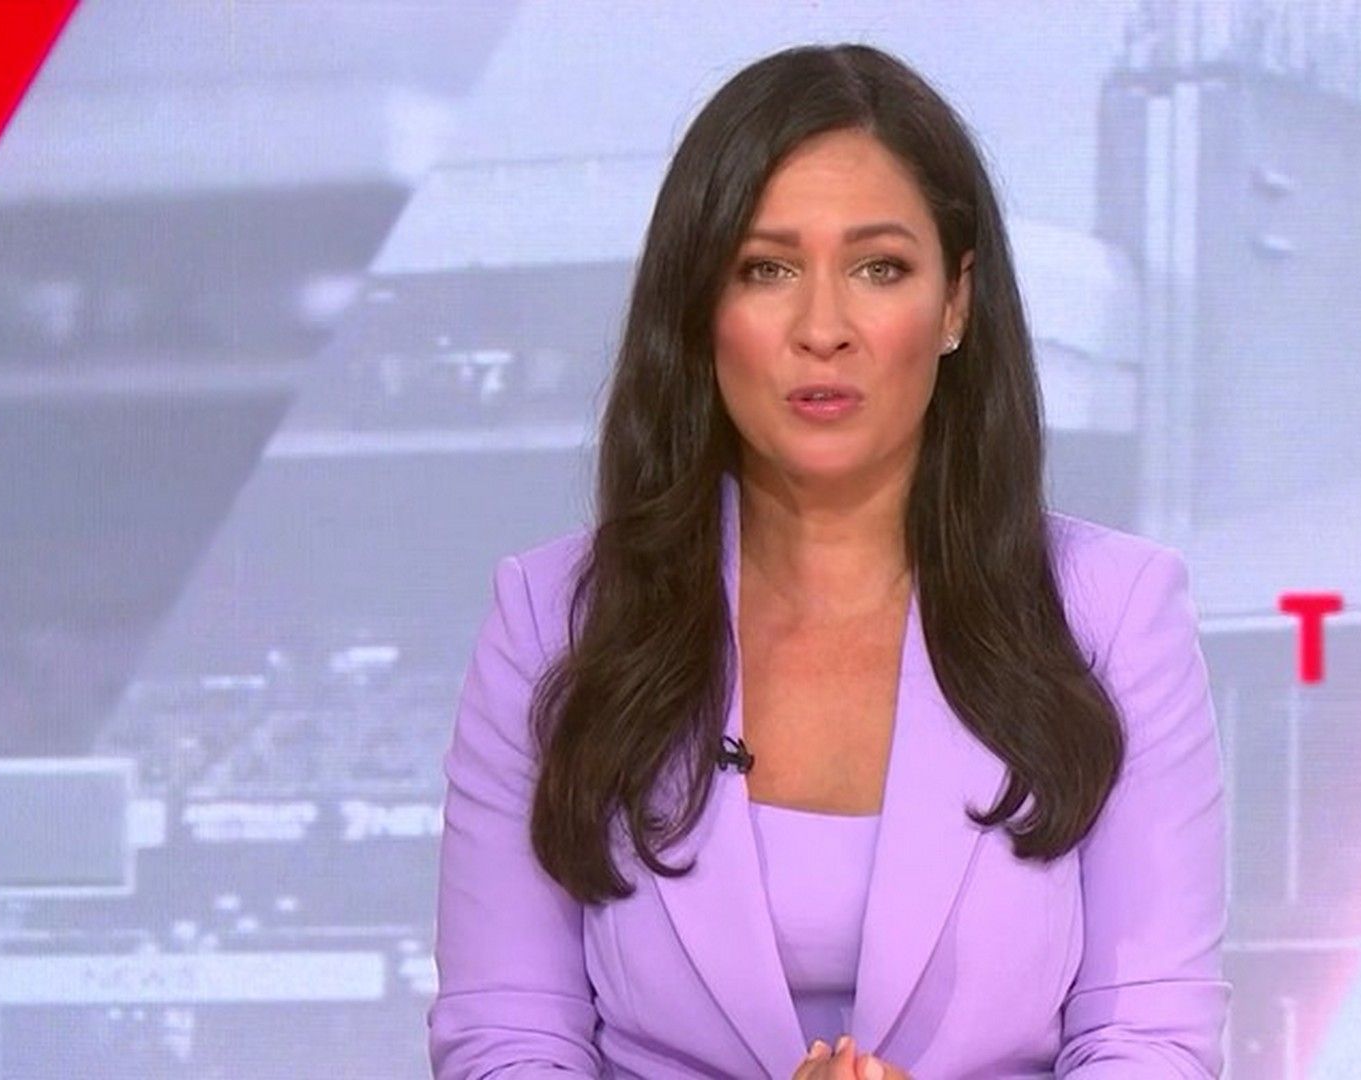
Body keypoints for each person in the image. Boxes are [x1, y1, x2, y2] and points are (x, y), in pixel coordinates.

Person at [429, 42, 1229, 1079]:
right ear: (699, 308)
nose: (823, 329)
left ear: (955, 304)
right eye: (766, 269)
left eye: (878, 268)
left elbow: (1149, 1038)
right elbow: (507, 1037)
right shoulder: (551, 621)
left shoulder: (1115, 615)